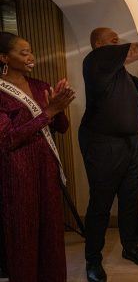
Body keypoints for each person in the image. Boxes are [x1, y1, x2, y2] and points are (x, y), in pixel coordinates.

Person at [79, 28, 138, 282]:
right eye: (111, 39)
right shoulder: (96, 61)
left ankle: (129, 247)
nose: (117, 41)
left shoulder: (119, 73)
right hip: (103, 143)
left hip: (131, 143)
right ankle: (93, 261)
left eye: (117, 39)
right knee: (100, 203)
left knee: (130, 199)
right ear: (98, 44)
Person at [0, 32, 75, 281]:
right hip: (17, 173)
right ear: (4, 58)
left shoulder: (40, 86)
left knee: (51, 233)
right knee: (23, 234)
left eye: (30, 51)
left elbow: (61, 128)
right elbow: (6, 139)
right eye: (23, 53)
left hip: (47, 169)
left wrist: (59, 107)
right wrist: (49, 111)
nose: (31, 57)